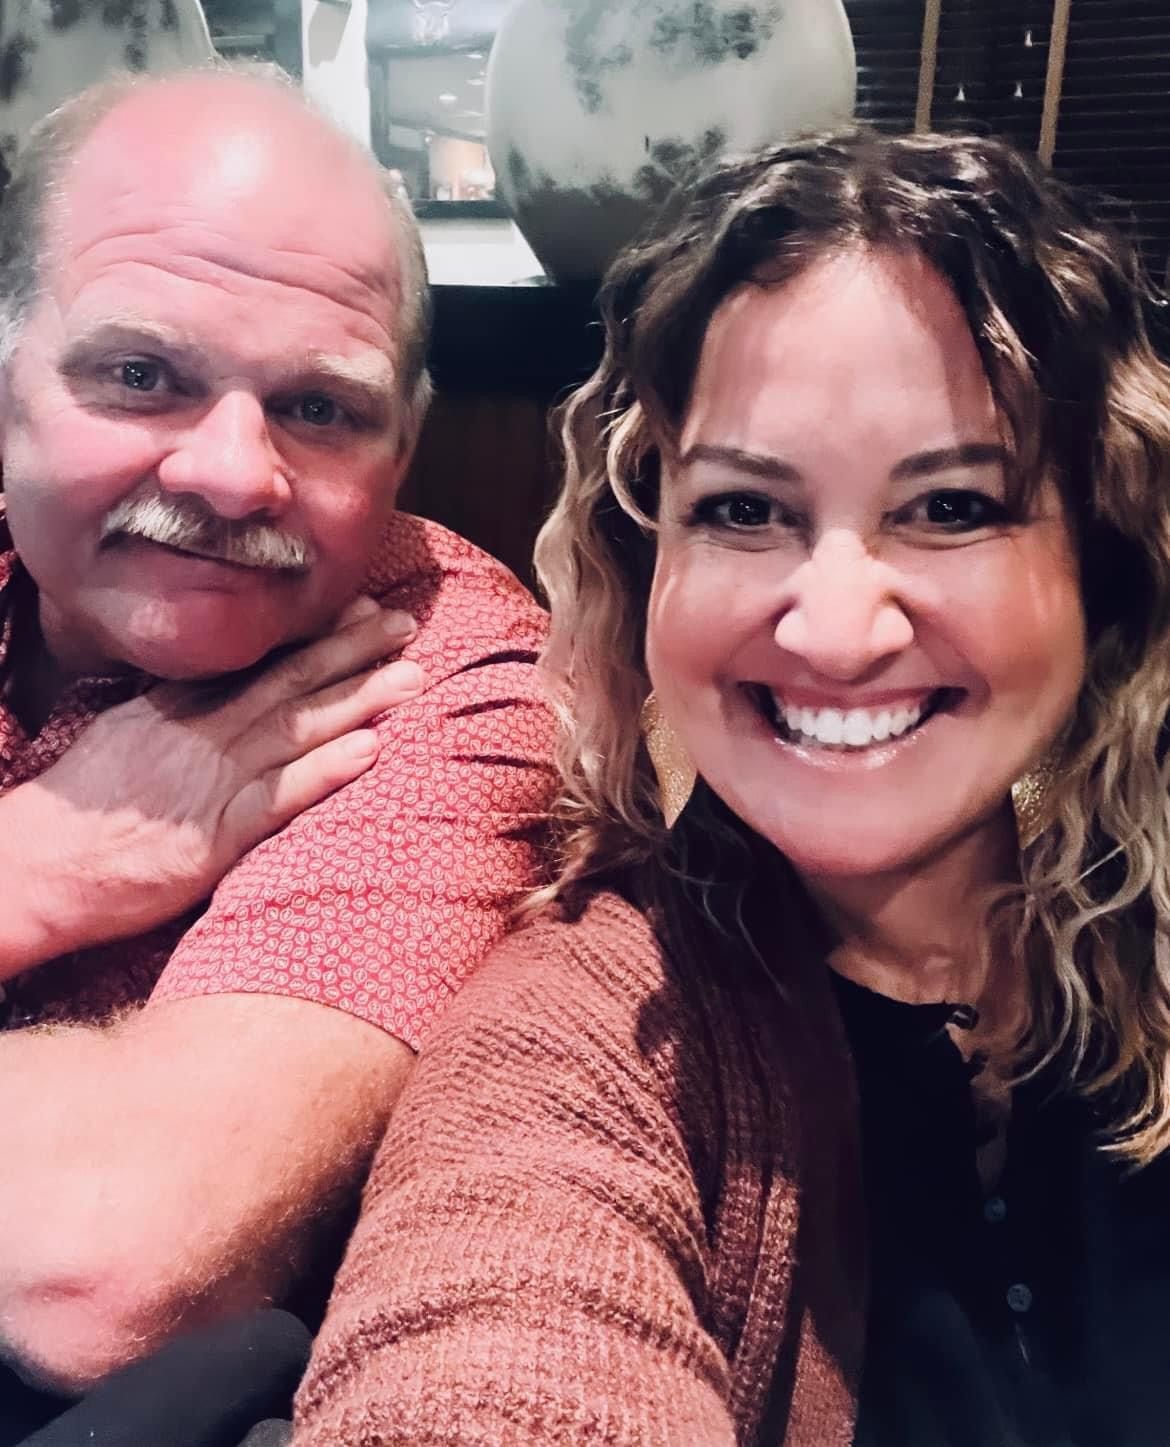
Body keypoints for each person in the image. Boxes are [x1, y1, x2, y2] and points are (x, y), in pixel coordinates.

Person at [292, 128, 1170, 1447]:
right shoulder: (586, 1037)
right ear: (649, 565)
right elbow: (490, 1334)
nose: (831, 628)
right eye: (744, 512)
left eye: (946, 509)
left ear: (1091, 564)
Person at [0, 60, 555, 1418]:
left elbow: (108, 1262)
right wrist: (30, 874)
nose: (233, 473)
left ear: (406, 442)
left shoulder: (444, 665)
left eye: (317, 408)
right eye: (140, 375)